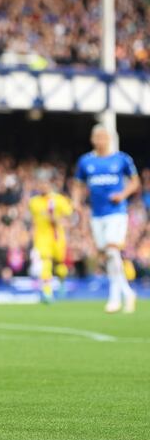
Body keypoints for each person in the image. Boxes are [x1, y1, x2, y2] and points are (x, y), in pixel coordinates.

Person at [73, 125, 140, 313]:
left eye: (104, 137)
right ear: (93, 139)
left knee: (112, 250)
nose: (100, 140)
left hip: (117, 212)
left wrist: (123, 194)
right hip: (97, 214)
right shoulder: (86, 161)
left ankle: (114, 298)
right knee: (107, 255)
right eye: (97, 137)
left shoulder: (121, 159)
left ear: (109, 138)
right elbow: (77, 184)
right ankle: (127, 292)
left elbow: (135, 182)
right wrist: (76, 202)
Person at [28, 169, 72, 302]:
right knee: (45, 263)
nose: (42, 186)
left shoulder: (59, 200)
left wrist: (57, 219)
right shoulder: (34, 202)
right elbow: (34, 220)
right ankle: (47, 293)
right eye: (40, 183)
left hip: (57, 237)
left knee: (60, 265)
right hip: (42, 238)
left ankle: (62, 281)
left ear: (50, 184)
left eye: (45, 183)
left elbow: (70, 216)